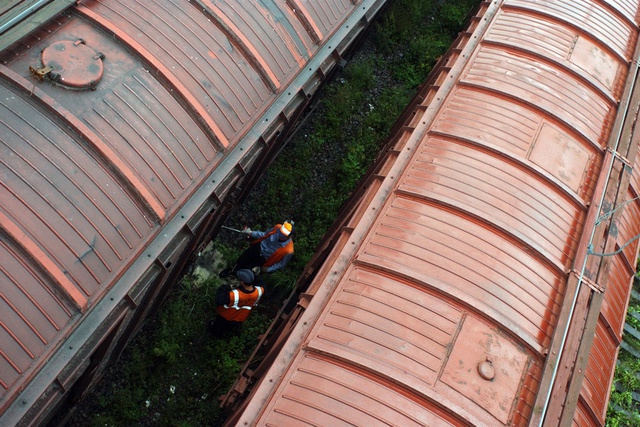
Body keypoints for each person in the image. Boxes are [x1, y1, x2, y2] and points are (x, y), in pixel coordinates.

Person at [219, 220, 295, 277]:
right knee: (241, 260)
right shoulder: (277, 227)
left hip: (263, 259)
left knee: (249, 271)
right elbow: (264, 234)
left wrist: (268, 269)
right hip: (257, 248)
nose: (279, 235)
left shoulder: (289, 250)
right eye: (280, 232)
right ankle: (232, 271)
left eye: (283, 235)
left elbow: (281, 264)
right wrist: (251, 233)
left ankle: (238, 279)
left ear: (290, 236)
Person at [208, 269, 264, 337]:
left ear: (242, 282)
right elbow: (261, 283)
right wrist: (255, 275)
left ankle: (214, 334)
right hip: (240, 319)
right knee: (229, 328)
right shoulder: (260, 291)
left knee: (217, 329)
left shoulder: (234, 295)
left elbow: (219, 300)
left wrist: (227, 287)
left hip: (225, 317)